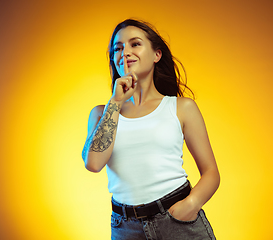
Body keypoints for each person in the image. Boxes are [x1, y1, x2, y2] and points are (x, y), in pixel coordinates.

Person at [82, 19, 220, 240]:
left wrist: (190, 205)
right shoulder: (102, 113)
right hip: (125, 227)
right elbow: (94, 163)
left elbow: (211, 173)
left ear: (157, 55)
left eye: (135, 44)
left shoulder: (180, 107)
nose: (125, 52)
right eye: (118, 48)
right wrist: (116, 103)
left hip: (177, 219)